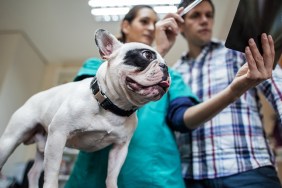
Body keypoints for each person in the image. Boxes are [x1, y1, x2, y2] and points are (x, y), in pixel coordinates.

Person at [65, 4, 275, 188]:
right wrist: (157, 52)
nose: (151, 27)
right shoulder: (98, 66)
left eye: (155, 22)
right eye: (144, 21)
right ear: (125, 25)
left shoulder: (172, 75)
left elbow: (182, 118)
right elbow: (80, 109)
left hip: (157, 180)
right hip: (95, 179)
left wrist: (233, 91)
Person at [173, 0, 282, 187]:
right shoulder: (175, 73)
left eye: (209, 15)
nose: (205, 20)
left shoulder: (239, 52)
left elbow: (278, 88)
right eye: (196, 16)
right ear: (181, 25)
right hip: (194, 176)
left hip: (248, 170)